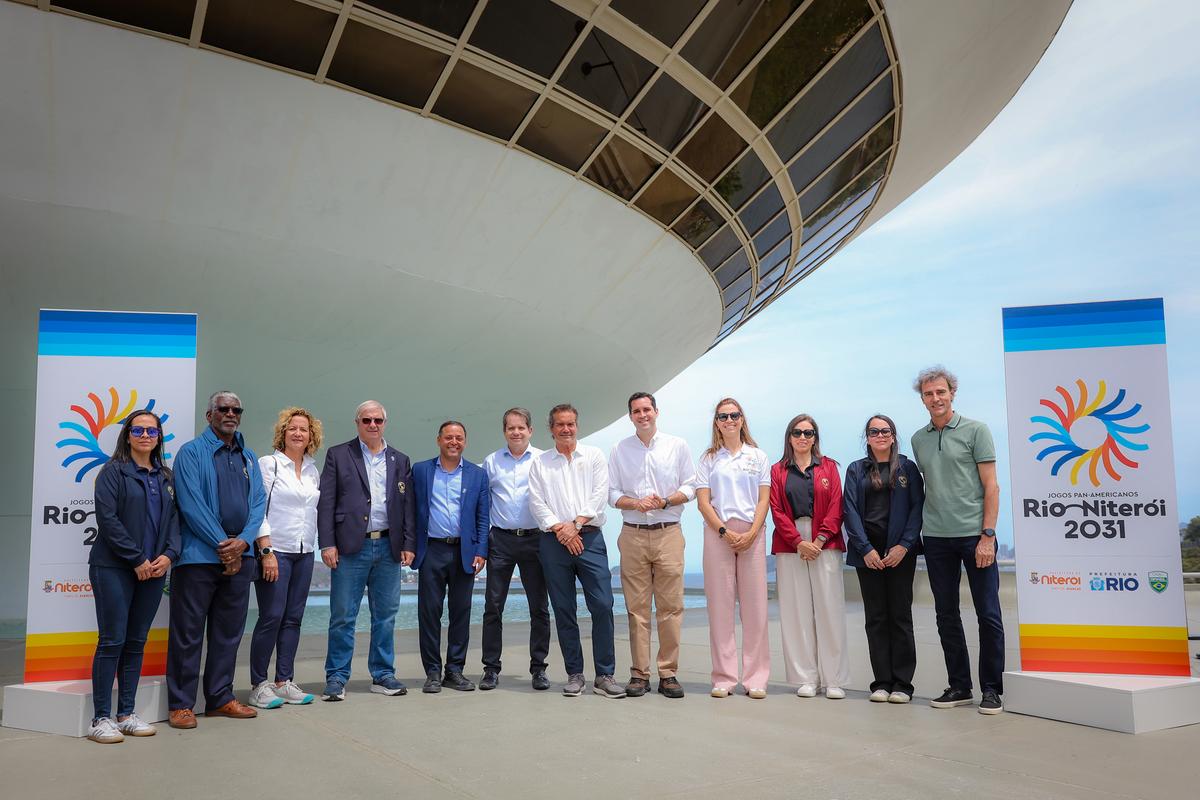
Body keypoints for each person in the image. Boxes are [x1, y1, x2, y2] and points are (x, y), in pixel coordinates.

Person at [167, 391, 266, 728]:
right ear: (208, 415)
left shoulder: (249, 457)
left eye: (236, 409)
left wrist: (244, 543)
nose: (230, 414)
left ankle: (220, 698)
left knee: (228, 634)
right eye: (223, 409)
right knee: (188, 633)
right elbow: (191, 504)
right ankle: (181, 704)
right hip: (198, 559)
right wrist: (225, 546)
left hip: (242, 558)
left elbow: (257, 506)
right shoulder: (191, 453)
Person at [910, 366, 1004, 714]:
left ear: (952, 393)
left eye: (940, 392)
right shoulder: (919, 439)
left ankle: (992, 689)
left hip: (974, 536)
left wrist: (988, 536)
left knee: (988, 614)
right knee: (946, 614)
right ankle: (960, 686)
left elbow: (991, 486)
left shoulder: (976, 430)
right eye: (928, 394)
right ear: (922, 399)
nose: (935, 399)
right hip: (935, 537)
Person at [87, 410, 180, 743]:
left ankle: (126, 713)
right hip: (113, 567)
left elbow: (174, 524)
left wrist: (168, 555)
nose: (145, 436)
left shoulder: (166, 477)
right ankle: (100, 718)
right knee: (112, 640)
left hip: (154, 571)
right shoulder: (113, 472)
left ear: (159, 438)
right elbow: (108, 520)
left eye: (152, 432)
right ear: (127, 435)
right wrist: (137, 558)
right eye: (138, 430)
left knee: (136, 641)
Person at [318, 400, 416, 701]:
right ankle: (336, 677)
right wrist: (327, 543)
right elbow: (326, 503)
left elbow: (408, 506)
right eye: (366, 420)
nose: (372, 425)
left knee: (385, 615)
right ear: (357, 423)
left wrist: (409, 544)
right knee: (343, 616)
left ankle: (383, 674)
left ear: (385, 423)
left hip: (389, 547)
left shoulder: (399, 459)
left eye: (377, 420)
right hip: (350, 548)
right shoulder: (338, 455)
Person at [528, 404, 624, 698]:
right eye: (560, 425)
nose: (566, 429)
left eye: (570, 424)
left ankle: (605, 675)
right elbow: (536, 502)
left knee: (603, 605)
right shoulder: (540, 463)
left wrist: (576, 524)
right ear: (551, 428)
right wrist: (562, 529)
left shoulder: (594, 456)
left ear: (577, 426)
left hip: (590, 539)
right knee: (564, 608)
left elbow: (599, 495)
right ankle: (575, 674)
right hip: (553, 542)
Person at [608, 391, 696, 699]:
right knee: (637, 609)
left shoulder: (677, 445)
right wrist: (636, 503)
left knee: (671, 607)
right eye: (636, 411)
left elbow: (691, 485)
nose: (642, 414)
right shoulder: (620, 449)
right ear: (630, 416)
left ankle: (668, 672)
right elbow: (612, 493)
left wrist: (665, 500)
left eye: (647, 409)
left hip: (668, 532)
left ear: (656, 412)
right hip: (632, 533)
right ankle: (639, 674)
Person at [842, 414, 925, 704]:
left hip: (900, 553)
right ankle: (881, 683)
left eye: (885, 431)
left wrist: (904, 545)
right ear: (867, 437)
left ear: (892, 435)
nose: (880, 435)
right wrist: (865, 549)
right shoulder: (855, 470)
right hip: (869, 553)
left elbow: (918, 509)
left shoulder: (908, 468)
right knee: (875, 618)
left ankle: (902, 684)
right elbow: (849, 511)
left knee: (900, 616)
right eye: (874, 431)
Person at [768, 414, 849, 699]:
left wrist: (819, 539)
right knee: (796, 612)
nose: (803, 437)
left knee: (830, 611)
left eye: (808, 432)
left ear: (815, 437)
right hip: (791, 544)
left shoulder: (830, 468)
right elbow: (776, 510)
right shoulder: (777, 471)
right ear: (789, 437)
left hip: (825, 541)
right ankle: (806, 677)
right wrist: (799, 542)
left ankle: (834, 679)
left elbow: (837, 506)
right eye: (797, 432)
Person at [247, 407, 323, 709]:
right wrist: (266, 552)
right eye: (292, 428)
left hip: (304, 553)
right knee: (271, 617)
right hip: (275, 551)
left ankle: (284, 681)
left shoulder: (312, 469)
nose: (298, 433)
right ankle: (258, 684)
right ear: (283, 432)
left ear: (311, 436)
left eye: (304, 429)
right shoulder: (269, 465)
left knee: (293, 618)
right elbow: (258, 509)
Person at [696, 398, 771, 699]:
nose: (729, 420)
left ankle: (756, 678)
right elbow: (703, 502)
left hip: (753, 534)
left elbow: (764, 499)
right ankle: (724, 677)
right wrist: (724, 531)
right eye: (723, 416)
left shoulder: (758, 456)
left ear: (742, 419)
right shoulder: (708, 459)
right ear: (716, 422)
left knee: (755, 609)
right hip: (719, 534)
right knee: (720, 607)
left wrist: (753, 531)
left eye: (734, 415)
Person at [412, 421, 489, 693]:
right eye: (448, 437)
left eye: (458, 438)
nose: (453, 442)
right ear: (439, 440)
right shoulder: (420, 471)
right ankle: (432, 672)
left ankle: (454, 671)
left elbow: (483, 516)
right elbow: (412, 512)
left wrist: (481, 551)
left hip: (463, 552)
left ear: (465, 442)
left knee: (461, 613)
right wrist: (409, 546)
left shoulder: (477, 475)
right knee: (429, 613)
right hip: (431, 550)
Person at [479, 408, 550, 691]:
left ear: (530, 430)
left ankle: (539, 669)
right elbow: (482, 505)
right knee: (493, 607)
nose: (516, 432)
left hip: (536, 540)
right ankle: (490, 668)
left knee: (539, 608)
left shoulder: (545, 460)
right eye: (511, 428)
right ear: (504, 431)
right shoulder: (491, 462)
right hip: (502, 541)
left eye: (521, 427)